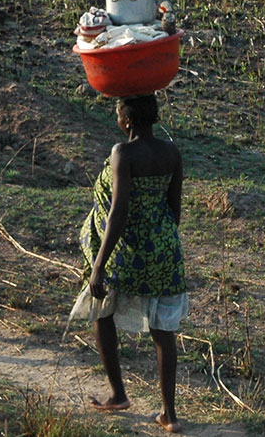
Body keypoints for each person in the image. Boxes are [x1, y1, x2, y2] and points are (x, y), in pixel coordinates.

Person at [70, 94, 186, 433]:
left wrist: (99, 265)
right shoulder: (172, 152)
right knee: (163, 331)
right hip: (165, 250)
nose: (116, 118)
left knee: (101, 310)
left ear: (128, 120)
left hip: (127, 251)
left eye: (118, 113)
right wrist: (160, 239)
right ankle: (170, 415)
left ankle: (118, 394)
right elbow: (174, 210)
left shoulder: (122, 152)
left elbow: (118, 211)